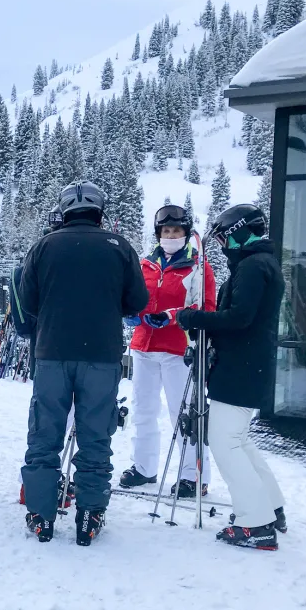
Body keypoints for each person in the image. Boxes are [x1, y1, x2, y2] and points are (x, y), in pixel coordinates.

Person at [18, 181, 148, 546]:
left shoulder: (44, 246)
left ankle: (41, 515)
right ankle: (90, 515)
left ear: (64, 211)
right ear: (99, 211)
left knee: (45, 434)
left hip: (52, 353)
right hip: (102, 357)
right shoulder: (119, 247)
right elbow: (137, 301)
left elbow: (28, 300)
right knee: (95, 436)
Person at [176, 204, 286, 550]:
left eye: (225, 237)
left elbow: (240, 317)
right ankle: (270, 507)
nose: (222, 245)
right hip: (246, 365)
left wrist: (195, 320)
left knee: (225, 442)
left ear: (240, 232)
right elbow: (241, 318)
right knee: (238, 438)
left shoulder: (254, 266)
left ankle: (257, 524)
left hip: (242, 368)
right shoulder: (259, 263)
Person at [120, 205, 217, 498]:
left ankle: (193, 475)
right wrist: (131, 312)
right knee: (143, 410)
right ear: (158, 234)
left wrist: (172, 316)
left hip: (179, 349)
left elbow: (206, 308)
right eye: (166, 231)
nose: (170, 235)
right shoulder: (145, 265)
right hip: (144, 347)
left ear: (186, 234)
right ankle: (144, 467)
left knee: (184, 413)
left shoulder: (198, 267)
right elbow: (132, 296)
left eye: (176, 231)